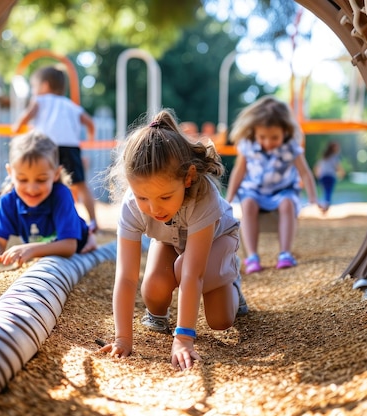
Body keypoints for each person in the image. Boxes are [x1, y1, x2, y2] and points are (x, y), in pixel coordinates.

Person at [99, 109, 248, 371]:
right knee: (154, 288)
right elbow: (125, 276)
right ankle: (157, 314)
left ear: (188, 178)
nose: (154, 209)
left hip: (216, 240)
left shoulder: (203, 197)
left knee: (220, 320)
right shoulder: (132, 206)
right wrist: (123, 338)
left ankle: (231, 280)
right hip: (170, 241)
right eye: (143, 197)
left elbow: (192, 275)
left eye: (165, 197)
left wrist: (183, 338)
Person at [0, 132, 96, 275]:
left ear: (56, 174)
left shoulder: (61, 195)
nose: (32, 189)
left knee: (85, 243)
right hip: (45, 243)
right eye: (22, 180)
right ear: (10, 172)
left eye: (41, 180)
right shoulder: (8, 201)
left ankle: (90, 235)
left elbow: (69, 246)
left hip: (78, 241)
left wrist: (31, 249)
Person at [225, 95, 320, 274]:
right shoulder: (248, 145)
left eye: (274, 137)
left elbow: (305, 173)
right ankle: (252, 256)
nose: (268, 142)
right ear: (254, 131)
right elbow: (239, 172)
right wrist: (228, 199)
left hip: (283, 190)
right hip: (255, 190)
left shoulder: (291, 146)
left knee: (287, 204)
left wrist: (314, 199)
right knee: (248, 204)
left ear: (285, 131)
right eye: (263, 137)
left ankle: (285, 253)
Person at [12, 65, 99, 233]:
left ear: (44, 86)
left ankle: (44, 220)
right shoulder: (71, 105)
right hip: (71, 147)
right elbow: (89, 123)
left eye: (35, 87)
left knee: (44, 181)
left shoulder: (40, 100)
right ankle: (94, 221)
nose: (34, 91)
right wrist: (90, 140)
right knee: (80, 185)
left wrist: (17, 127)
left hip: (46, 148)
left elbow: (27, 115)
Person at [314, 141, 344, 212]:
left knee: (325, 191)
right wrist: (342, 173)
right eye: (336, 147)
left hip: (323, 176)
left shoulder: (324, 156)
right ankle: (326, 205)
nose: (338, 149)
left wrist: (318, 174)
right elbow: (337, 167)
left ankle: (324, 204)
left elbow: (317, 166)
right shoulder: (334, 156)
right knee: (328, 191)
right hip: (330, 176)